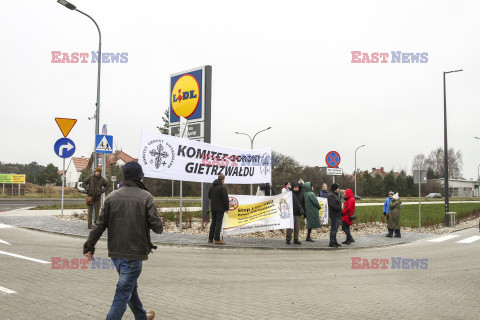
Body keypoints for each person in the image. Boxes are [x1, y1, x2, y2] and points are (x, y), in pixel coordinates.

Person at [83, 161, 162, 320]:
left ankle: (141, 316)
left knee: (129, 287)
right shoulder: (146, 197)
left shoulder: (112, 197)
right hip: (133, 254)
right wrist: (159, 222)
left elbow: (99, 225)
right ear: (140, 177)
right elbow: (157, 228)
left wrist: (89, 246)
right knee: (122, 294)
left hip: (116, 254)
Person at [208, 174, 230, 245]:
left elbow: (209, 196)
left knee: (213, 223)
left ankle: (210, 238)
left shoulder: (212, 187)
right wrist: (227, 208)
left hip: (213, 208)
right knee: (218, 223)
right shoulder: (222, 188)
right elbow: (225, 199)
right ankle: (217, 239)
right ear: (223, 180)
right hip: (220, 209)